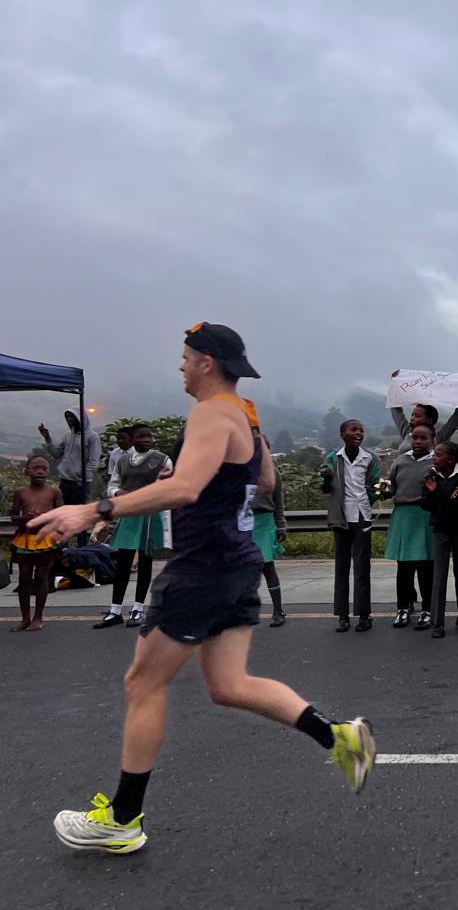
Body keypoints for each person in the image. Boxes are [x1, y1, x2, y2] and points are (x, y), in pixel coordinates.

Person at [32, 322, 373, 854]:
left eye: (186, 358)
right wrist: (254, 436)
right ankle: (340, 738)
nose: (181, 368)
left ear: (208, 362)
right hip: (237, 561)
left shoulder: (213, 413)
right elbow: (264, 482)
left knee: (142, 685)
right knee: (229, 685)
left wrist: (92, 509)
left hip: (204, 568)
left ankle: (123, 820)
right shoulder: (238, 415)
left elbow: (185, 487)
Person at [96, 424, 173, 629]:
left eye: (149, 435)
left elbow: (170, 485)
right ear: (132, 440)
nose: (146, 439)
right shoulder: (122, 461)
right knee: (123, 562)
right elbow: (112, 485)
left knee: (145, 562)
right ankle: (115, 611)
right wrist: (117, 494)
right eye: (141, 436)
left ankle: (138, 609)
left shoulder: (162, 459)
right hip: (129, 515)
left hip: (150, 515)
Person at [320, 419, 381, 633]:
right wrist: (327, 479)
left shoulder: (370, 458)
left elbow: (376, 485)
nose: (359, 433)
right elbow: (325, 487)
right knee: (342, 567)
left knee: (362, 567)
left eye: (362, 430)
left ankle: (364, 615)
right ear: (342, 434)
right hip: (341, 517)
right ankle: (343, 616)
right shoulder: (332, 458)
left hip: (362, 516)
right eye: (354, 429)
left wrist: (368, 499)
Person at [385, 425, 436, 630]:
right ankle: (403, 608)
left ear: (432, 441)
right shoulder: (401, 460)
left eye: (423, 438)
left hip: (424, 515)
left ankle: (428, 609)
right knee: (404, 567)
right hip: (403, 515)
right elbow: (391, 488)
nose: (418, 441)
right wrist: (382, 492)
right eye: (415, 437)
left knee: (425, 567)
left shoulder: (435, 462)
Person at [423, 440, 458, 638]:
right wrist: (443, 496)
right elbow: (425, 503)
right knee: (439, 577)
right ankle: (438, 623)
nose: (434, 457)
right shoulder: (431, 475)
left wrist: (437, 492)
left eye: (438, 454)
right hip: (441, 530)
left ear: (451, 460)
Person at [8, 455, 62, 631]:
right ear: (27, 471)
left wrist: (45, 519)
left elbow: (61, 515)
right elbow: (14, 517)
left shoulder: (54, 492)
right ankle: (25, 618)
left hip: (45, 539)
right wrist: (25, 518)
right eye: (35, 468)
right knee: (24, 579)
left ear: (48, 471)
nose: (40, 471)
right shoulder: (21, 492)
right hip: (25, 539)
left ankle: (38, 617)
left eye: (44, 468)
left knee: (41, 578)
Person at [389, 373, 458, 454]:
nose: (412, 418)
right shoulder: (407, 433)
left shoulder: (438, 438)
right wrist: (395, 383)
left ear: (429, 420)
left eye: (417, 416)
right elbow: (395, 409)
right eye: (412, 415)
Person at [251, 432, 288, 628]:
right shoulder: (240, 471)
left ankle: (278, 610)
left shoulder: (273, 473)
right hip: (244, 522)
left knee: (267, 566)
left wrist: (281, 525)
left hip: (265, 522)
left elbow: (278, 503)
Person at [38, 409, 102, 507]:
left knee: (78, 513)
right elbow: (57, 454)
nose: (69, 419)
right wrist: (48, 438)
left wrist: (82, 480)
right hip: (65, 481)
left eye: (72, 416)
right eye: (67, 417)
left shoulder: (92, 437)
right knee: (62, 510)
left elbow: (93, 461)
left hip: (79, 484)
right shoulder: (67, 435)